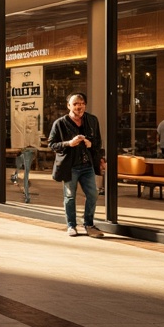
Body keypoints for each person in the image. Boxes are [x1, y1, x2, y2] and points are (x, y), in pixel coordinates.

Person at [47, 92, 105, 238]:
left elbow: (98, 141)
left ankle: (88, 223)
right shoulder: (60, 123)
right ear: (68, 106)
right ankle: (71, 225)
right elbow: (52, 144)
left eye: (82, 103)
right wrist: (69, 143)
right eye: (76, 104)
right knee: (70, 196)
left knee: (93, 194)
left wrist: (92, 146)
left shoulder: (92, 120)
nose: (79, 106)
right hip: (70, 166)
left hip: (87, 165)